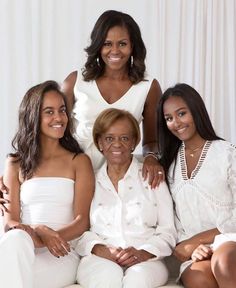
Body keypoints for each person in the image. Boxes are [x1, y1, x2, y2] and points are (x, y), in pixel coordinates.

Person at [0, 81, 94, 288]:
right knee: (14, 241)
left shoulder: (78, 161)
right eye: (49, 112)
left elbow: (82, 221)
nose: (59, 118)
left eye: (62, 110)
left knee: (12, 273)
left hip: (61, 253)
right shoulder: (15, 164)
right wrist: (40, 230)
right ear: (33, 116)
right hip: (24, 246)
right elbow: (10, 223)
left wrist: (52, 238)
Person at [75, 108, 176, 288]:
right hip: (99, 259)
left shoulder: (153, 177)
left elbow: (168, 230)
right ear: (99, 143)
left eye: (124, 138)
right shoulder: (89, 180)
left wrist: (144, 253)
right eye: (109, 138)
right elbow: (79, 230)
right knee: (107, 277)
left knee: (137, 279)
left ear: (134, 142)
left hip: (148, 262)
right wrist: (101, 249)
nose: (117, 144)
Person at [62, 10, 163, 188]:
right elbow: (49, 133)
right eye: (107, 43)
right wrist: (16, 170)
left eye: (122, 43)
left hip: (119, 178)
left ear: (133, 46)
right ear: (98, 46)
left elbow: (151, 141)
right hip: (73, 175)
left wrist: (151, 158)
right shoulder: (75, 82)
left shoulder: (148, 87)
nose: (115, 51)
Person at [157, 83, 236, 288]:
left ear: (196, 110)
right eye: (169, 118)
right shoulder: (169, 164)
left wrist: (198, 239)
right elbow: (172, 219)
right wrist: (190, 247)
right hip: (194, 248)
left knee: (224, 263)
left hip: (230, 240)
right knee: (199, 279)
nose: (176, 123)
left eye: (182, 113)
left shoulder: (227, 153)